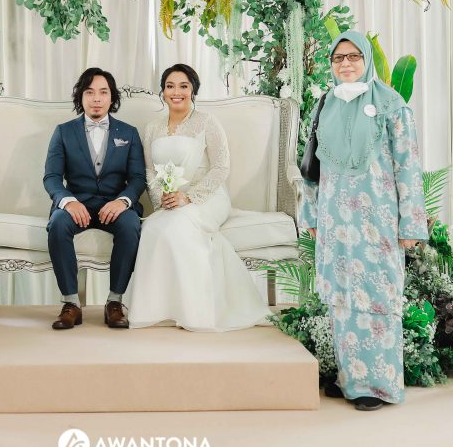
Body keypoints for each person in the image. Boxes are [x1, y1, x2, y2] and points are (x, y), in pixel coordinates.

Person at [300, 30, 428, 412]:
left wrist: (411, 224)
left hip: (377, 219)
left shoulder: (391, 105)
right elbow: (310, 167)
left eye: (354, 56)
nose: (346, 64)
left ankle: (379, 385)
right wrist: (311, 214)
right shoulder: (326, 104)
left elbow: (408, 165)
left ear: (366, 59)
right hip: (334, 218)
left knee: (376, 296)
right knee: (342, 298)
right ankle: (351, 379)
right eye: (338, 58)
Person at [126, 64, 272, 331]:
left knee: (179, 225)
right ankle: (162, 309)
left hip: (207, 197)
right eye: (170, 86)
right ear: (162, 91)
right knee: (153, 227)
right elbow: (149, 170)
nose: (176, 92)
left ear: (193, 90)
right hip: (170, 200)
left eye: (183, 86)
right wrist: (161, 198)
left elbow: (221, 167)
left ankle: (197, 311)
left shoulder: (207, 121)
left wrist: (189, 197)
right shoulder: (153, 128)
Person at [43, 68, 147, 330]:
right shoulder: (63, 132)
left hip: (115, 205)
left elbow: (138, 178)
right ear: (81, 96)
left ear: (112, 97)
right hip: (77, 204)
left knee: (130, 224)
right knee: (58, 223)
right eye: (90, 92)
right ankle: (71, 304)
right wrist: (68, 202)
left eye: (103, 92)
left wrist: (123, 201)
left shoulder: (129, 133)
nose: (97, 98)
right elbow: (52, 177)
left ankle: (114, 302)